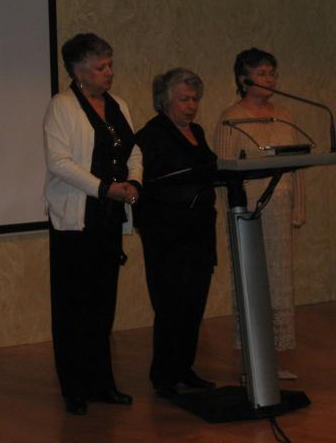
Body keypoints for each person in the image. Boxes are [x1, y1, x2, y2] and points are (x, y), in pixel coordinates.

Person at [43, 33, 142, 415]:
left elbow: (134, 150)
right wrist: (105, 188)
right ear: (78, 70)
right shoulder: (62, 106)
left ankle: (102, 383)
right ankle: (74, 387)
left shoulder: (119, 105)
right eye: (100, 67)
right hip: (74, 220)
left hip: (109, 217)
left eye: (110, 65)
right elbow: (59, 163)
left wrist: (133, 184)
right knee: (73, 306)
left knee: (102, 305)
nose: (109, 72)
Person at [214, 48, 306, 380]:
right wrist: (231, 214)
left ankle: (273, 362)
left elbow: (297, 165)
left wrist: (298, 206)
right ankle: (250, 364)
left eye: (272, 72)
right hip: (248, 211)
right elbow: (224, 171)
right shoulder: (231, 117)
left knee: (278, 284)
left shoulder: (285, 114)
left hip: (279, 210)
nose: (270, 79)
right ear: (243, 80)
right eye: (262, 73)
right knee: (252, 283)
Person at [134, 68, 218, 397]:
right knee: (171, 306)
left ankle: (185, 368)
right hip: (167, 236)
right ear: (164, 101)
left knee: (194, 304)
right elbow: (145, 185)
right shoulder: (151, 135)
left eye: (195, 99)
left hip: (199, 231)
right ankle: (164, 376)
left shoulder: (197, 131)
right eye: (184, 99)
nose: (191, 106)